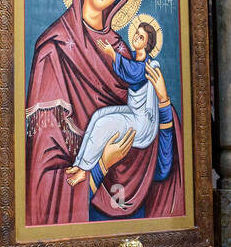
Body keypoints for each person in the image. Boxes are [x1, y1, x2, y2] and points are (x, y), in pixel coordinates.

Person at [24, 0, 183, 224]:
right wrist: (101, 165)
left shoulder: (123, 54)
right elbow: (43, 172)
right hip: (82, 209)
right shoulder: (53, 49)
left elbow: (159, 161)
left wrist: (163, 103)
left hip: (135, 206)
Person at [66, 20, 165, 185]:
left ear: (147, 44)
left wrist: (113, 54)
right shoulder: (131, 56)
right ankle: (78, 163)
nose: (136, 38)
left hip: (142, 123)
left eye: (141, 37)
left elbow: (133, 73)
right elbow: (127, 66)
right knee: (98, 115)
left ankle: (84, 170)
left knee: (103, 124)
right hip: (132, 112)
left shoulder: (146, 66)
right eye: (136, 34)